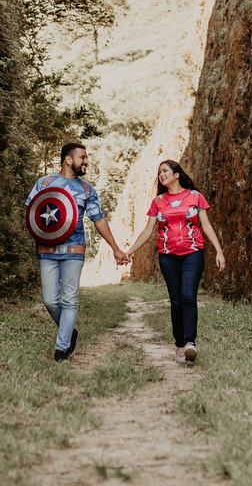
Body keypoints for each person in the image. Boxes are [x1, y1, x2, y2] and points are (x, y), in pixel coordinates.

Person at [27, 142, 130, 361]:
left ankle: (62, 348)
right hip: (47, 248)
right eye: (82, 157)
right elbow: (32, 212)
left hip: (74, 249)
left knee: (69, 299)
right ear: (68, 159)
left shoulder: (86, 189)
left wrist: (115, 248)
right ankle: (69, 332)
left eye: (86, 158)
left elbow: (98, 220)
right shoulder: (45, 183)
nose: (86, 162)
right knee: (50, 300)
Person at [125, 159, 225, 363]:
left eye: (165, 171)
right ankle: (180, 345)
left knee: (188, 296)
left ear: (176, 174)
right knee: (176, 301)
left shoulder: (195, 196)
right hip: (168, 256)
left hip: (193, 253)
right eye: (159, 172)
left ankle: (190, 343)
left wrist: (219, 251)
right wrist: (129, 252)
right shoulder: (158, 202)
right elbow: (148, 231)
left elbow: (206, 226)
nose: (161, 175)